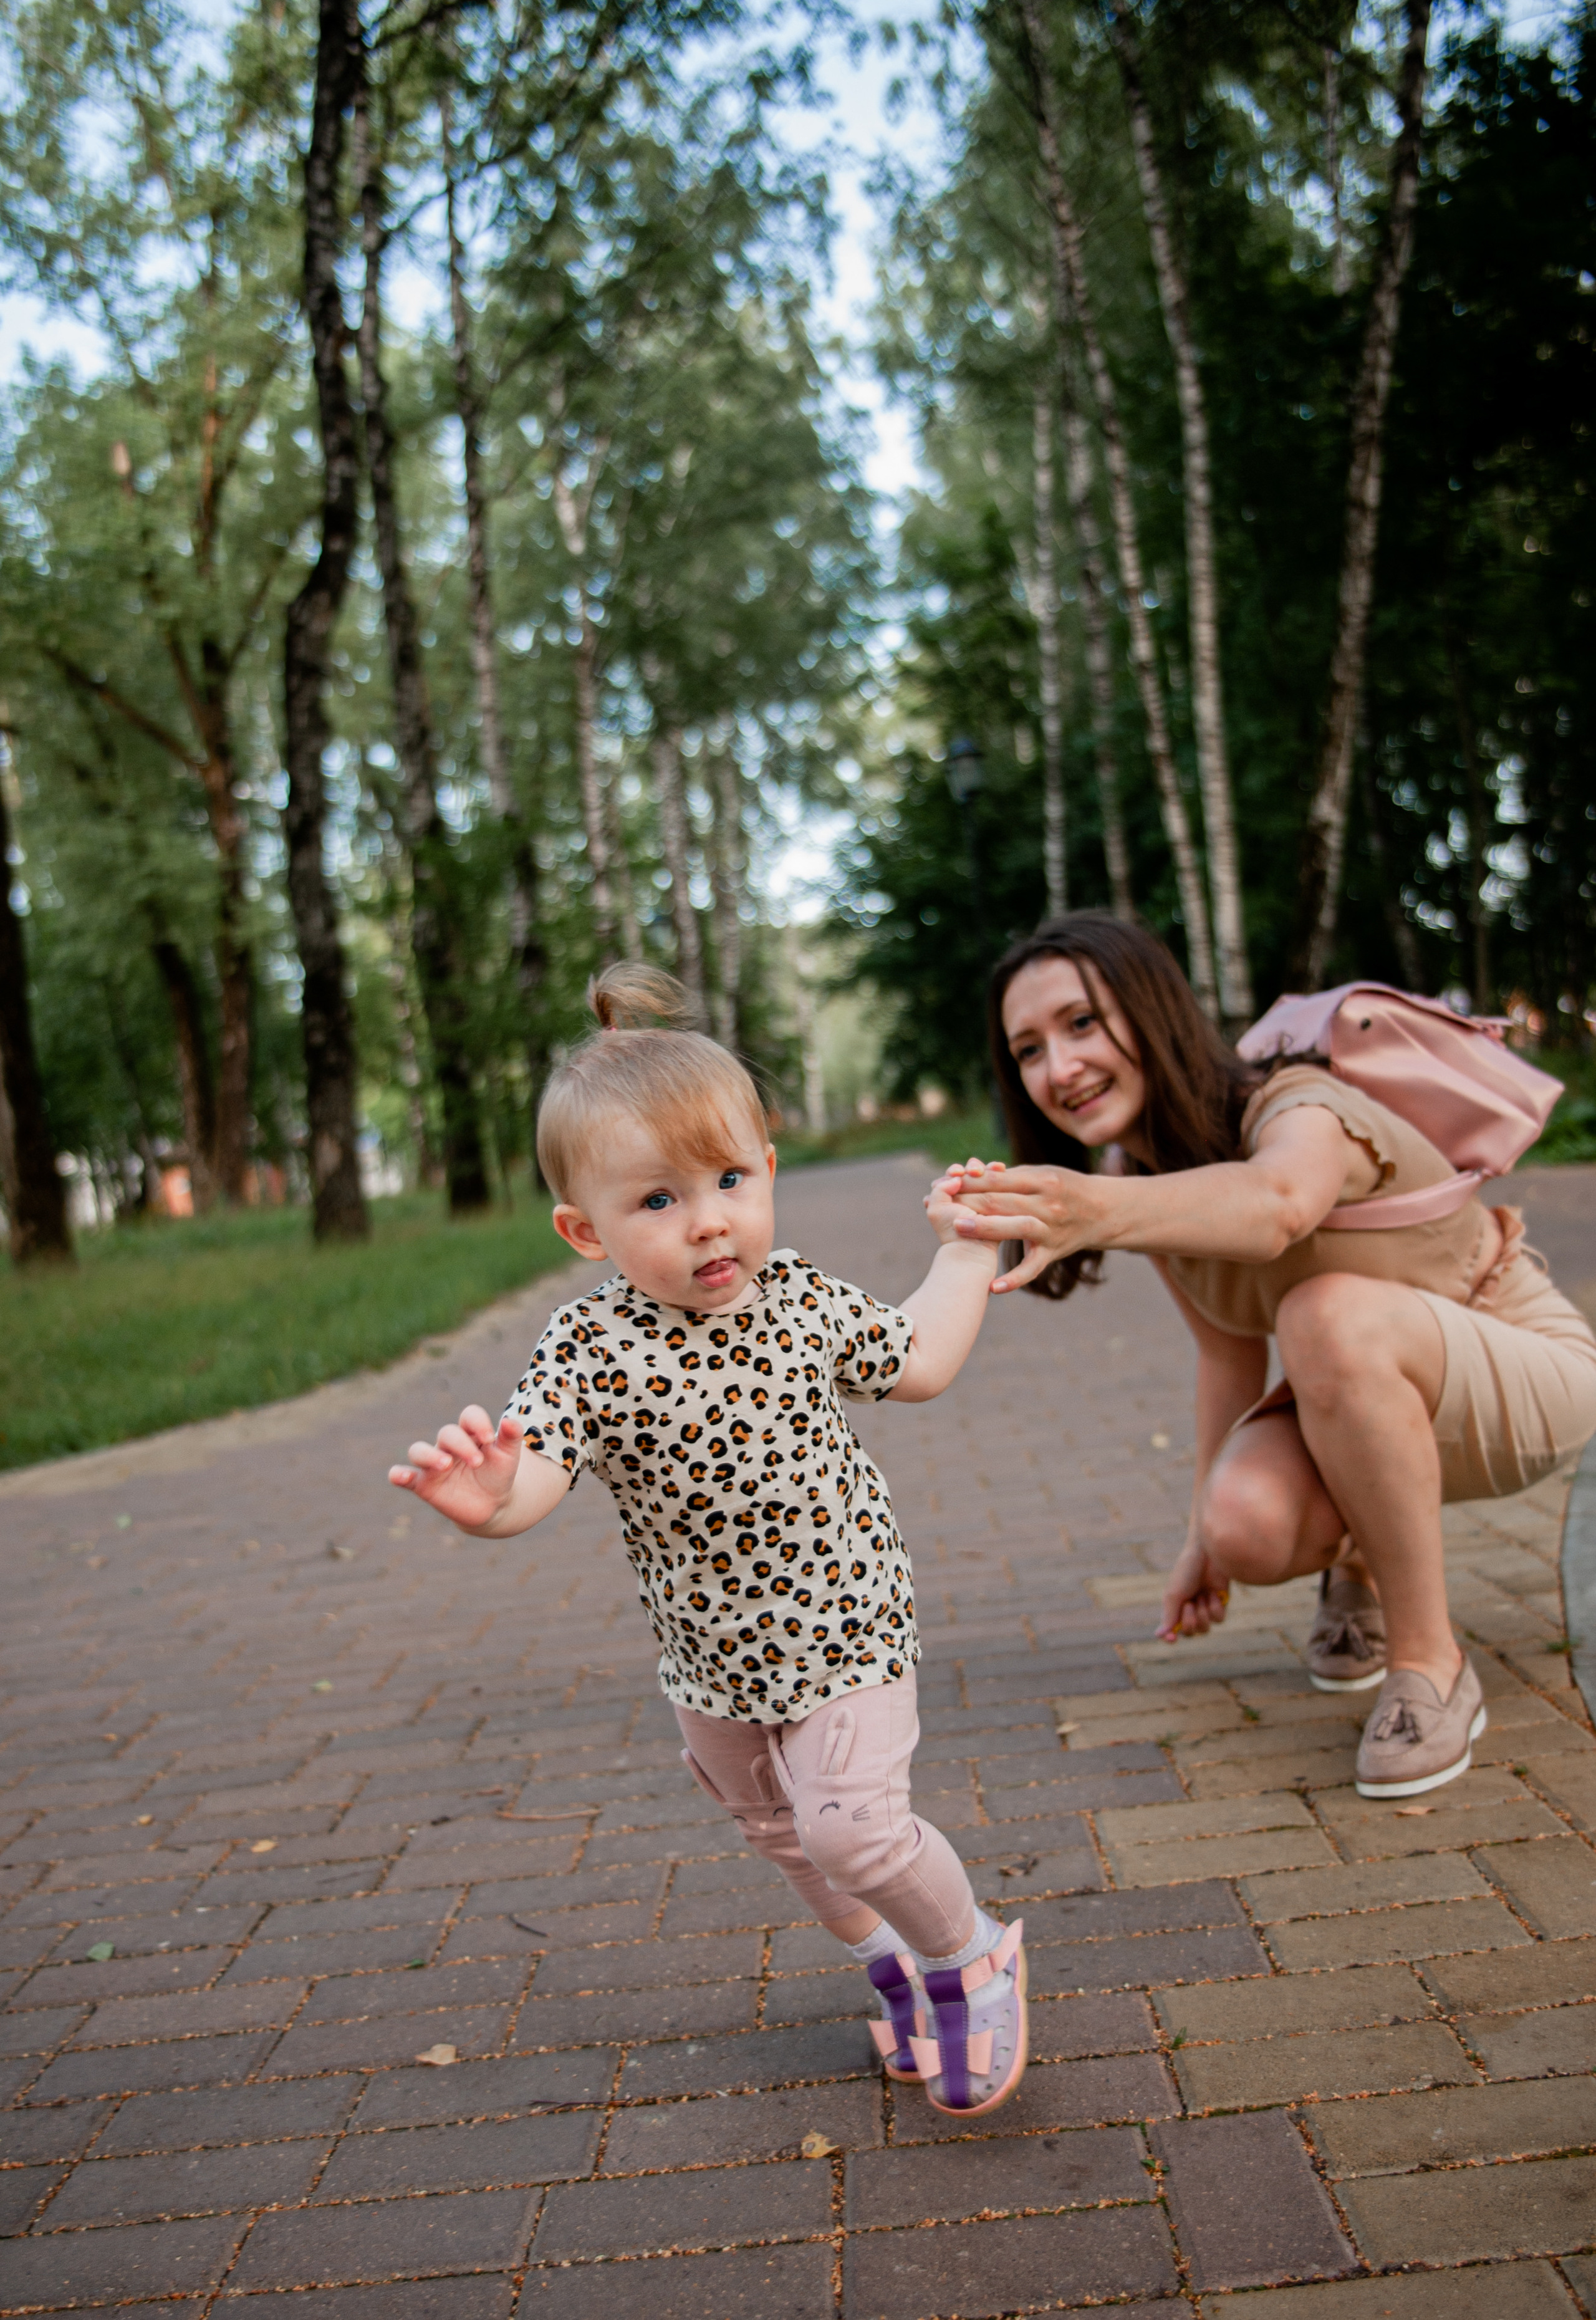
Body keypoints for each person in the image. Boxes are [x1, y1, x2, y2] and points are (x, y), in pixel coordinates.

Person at [389, 963, 1027, 2118]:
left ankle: (969, 1955)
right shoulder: (586, 1345)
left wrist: (964, 1255)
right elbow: (539, 1472)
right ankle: (885, 1960)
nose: (709, 1219)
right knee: (789, 1838)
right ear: (585, 1229)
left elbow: (920, 1360)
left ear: (769, 1170)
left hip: (845, 1615)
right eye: (658, 1201)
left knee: (854, 1828)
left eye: (730, 1178)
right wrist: (492, 1496)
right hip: (712, 1658)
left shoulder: (799, 1299)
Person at [942, 913, 1596, 1801]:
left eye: (1082, 1023)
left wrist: (1091, 1206)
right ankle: (1357, 1566)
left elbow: (1281, 1201)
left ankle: (1431, 1662)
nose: (1059, 1068)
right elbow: (1226, 1355)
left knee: (1324, 1313)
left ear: (1153, 1010)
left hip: (1527, 1371)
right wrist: (1196, 1544)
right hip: (1376, 1401)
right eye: (1028, 1049)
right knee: (1242, 1520)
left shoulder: (1295, 1102)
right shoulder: (1145, 1183)